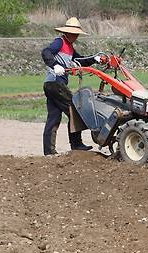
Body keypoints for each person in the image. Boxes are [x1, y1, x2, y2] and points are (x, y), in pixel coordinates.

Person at [41, 17, 103, 155]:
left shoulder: (70, 48)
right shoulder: (59, 42)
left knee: (54, 117)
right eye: (73, 33)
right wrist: (54, 65)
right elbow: (46, 52)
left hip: (53, 85)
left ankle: (49, 152)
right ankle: (76, 144)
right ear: (67, 32)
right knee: (75, 110)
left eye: (77, 34)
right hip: (55, 83)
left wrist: (94, 59)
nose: (75, 36)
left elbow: (80, 60)